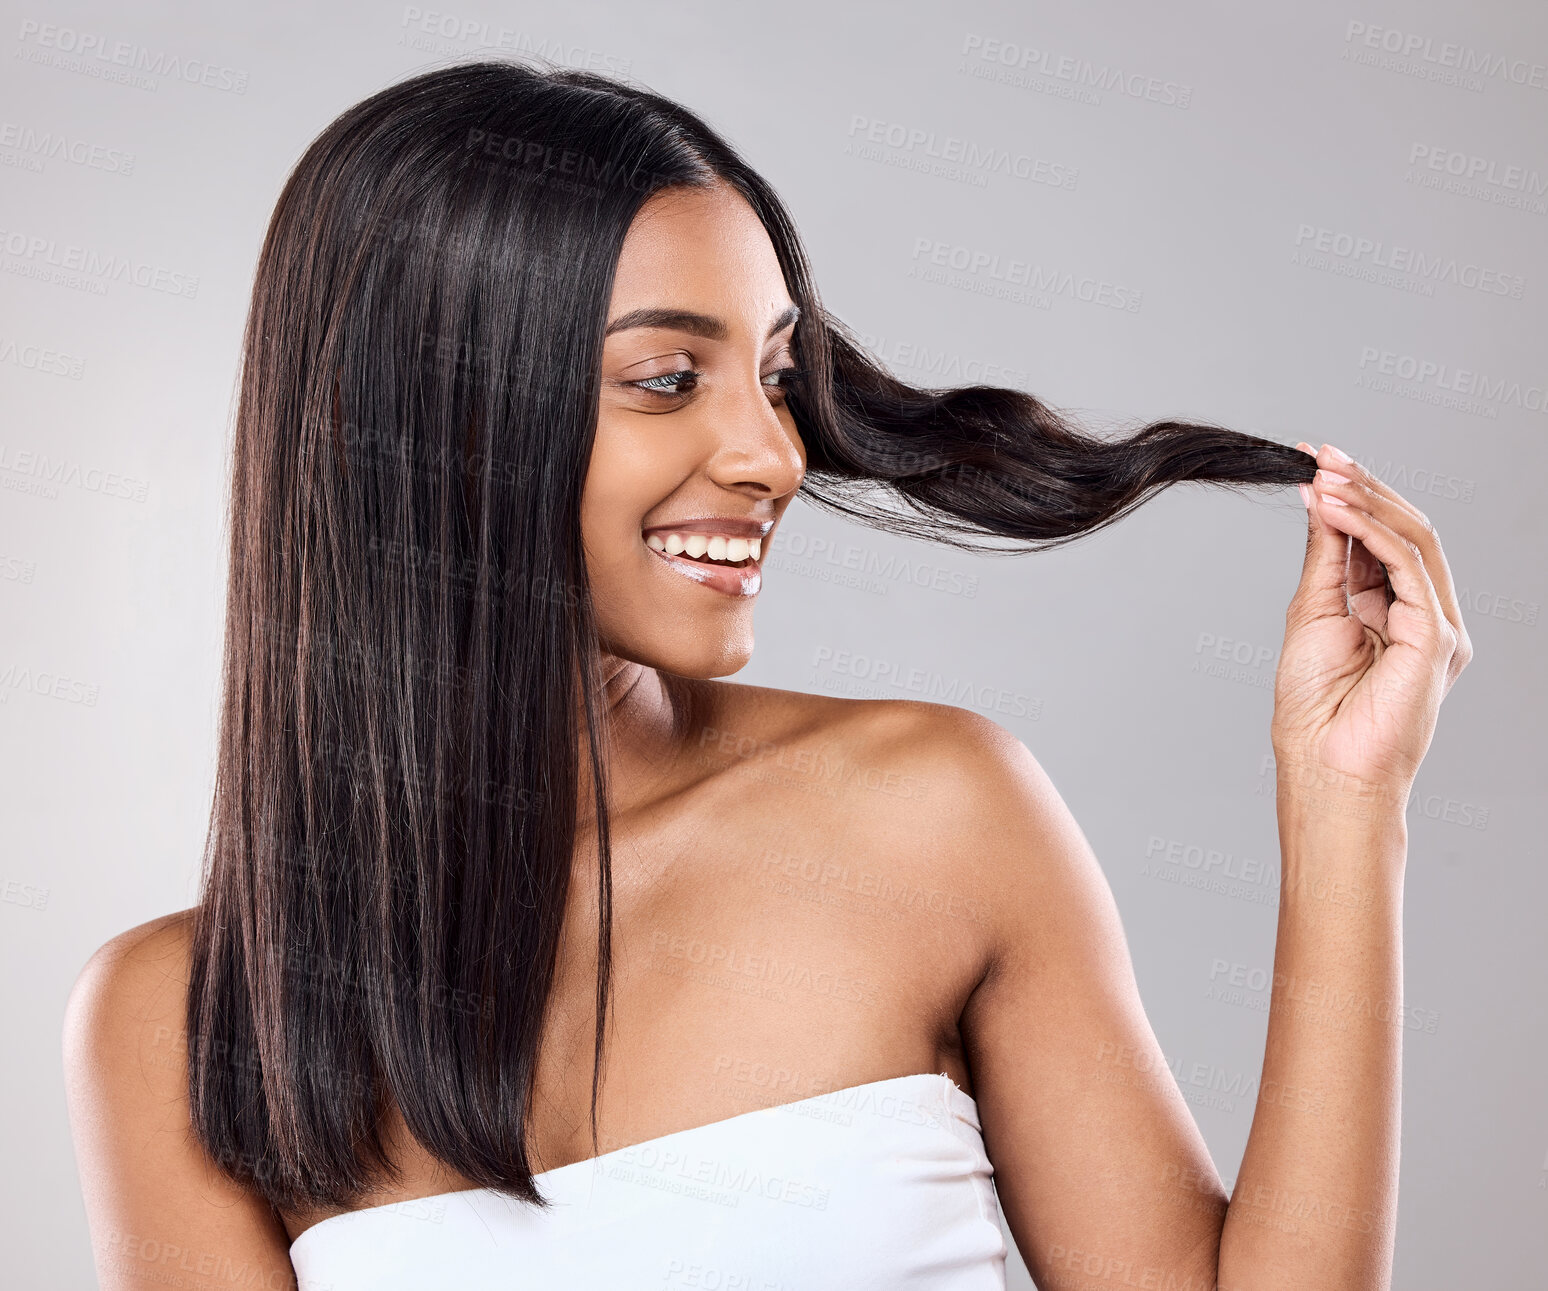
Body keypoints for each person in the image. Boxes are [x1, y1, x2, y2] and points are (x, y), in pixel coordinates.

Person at [62, 59, 1470, 1290]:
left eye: (776, 374)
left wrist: (1349, 807)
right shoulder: (180, 1024)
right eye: (668, 379)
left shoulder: (931, 811)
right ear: (437, 416)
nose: (775, 454)